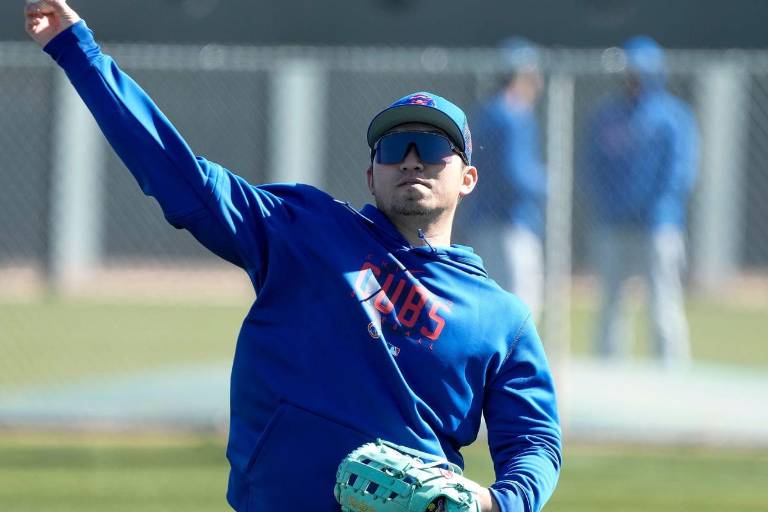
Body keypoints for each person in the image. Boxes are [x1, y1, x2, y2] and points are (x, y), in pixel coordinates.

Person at [25, 2, 561, 511]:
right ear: (371, 175)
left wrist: (494, 502)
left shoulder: (500, 318)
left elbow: (535, 442)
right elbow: (178, 173)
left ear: (466, 177)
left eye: (433, 147)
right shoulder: (304, 230)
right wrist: (77, 49)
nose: (413, 161)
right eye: (395, 149)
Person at [585, 36, 698, 368]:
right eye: (628, 72)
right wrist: (611, 204)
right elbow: (593, 166)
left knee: (663, 304)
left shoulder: (672, 117)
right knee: (610, 305)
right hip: (614, 223)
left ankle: (672, 374)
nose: (632, 78)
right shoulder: (608, 115)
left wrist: (650, 205)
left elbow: (681, 172)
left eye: (638, 72)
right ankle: (607, 375)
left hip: (658, 224)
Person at [459, 38, 547, 321]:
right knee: (521, 309)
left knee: (487, 304)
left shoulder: (486, 111)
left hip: (483, 219)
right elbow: (517, 173)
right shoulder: (513, 113)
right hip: (513, 223)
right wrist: (547, 182)